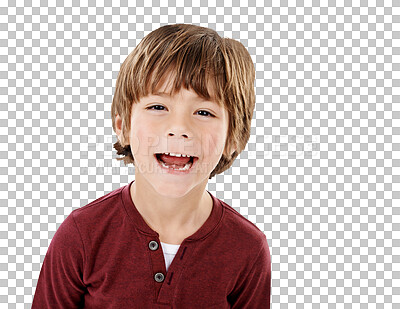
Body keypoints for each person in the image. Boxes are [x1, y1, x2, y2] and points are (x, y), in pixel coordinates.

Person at [32, 23, 271, 308]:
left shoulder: (247, 248)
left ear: (234, 138)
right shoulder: (81, 234)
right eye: (158, 107)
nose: (179, 128)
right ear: (123, 127)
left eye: (204, 112)